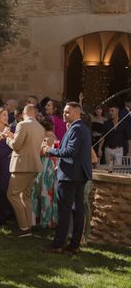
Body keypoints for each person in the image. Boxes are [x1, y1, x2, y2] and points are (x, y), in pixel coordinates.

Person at [42, 102, 92, 255]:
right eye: (64, 112)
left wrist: (49, 150)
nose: (64, 114)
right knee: (77, 210)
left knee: (65, 210)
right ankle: (73, 245)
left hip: (71, 176)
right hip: (77, 174)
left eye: (68, 112)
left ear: (77, 114)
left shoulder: (77, 128)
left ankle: (58, 244)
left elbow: (71, 151)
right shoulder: (79, 127)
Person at [4, 104, 45, 237]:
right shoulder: (40, 127)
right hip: (34, 165)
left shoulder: (22, 125)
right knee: (25, 196)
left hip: (22, 166)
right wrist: (12, 136)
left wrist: (7, 139)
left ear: (24, 113)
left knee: (12, 194)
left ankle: (23, 227)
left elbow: (16, 145)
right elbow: (26, 143)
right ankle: (28, 225)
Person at [31, 117, 59, 228]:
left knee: (44, 192)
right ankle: (48, 219)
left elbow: (41, 152)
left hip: (46, 165)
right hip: (51, 164)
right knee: (49, 192)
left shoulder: (47, 138)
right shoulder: (54, 136)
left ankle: (45, 220)